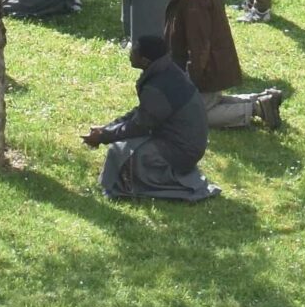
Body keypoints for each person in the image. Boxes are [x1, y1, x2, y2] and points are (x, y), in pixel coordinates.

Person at [150, 0, 283, 130]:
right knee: (209, 102)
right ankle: (262, 100)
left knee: (189, 114)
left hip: (207, 70)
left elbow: (199, 48)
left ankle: (256, 108)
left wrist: (189, 83)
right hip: (213, 64)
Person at [83, 35, 216, 203]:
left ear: (144, 61)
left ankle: (120, 189)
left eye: (134, 51)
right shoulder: (167, 70)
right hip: (181, 141)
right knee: (122, 146)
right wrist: (107, 128)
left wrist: (104, 137)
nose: (130, 53)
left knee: (119, 152)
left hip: (181, 150)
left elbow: (139, 125)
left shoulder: (157, 87)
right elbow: (141, 113)